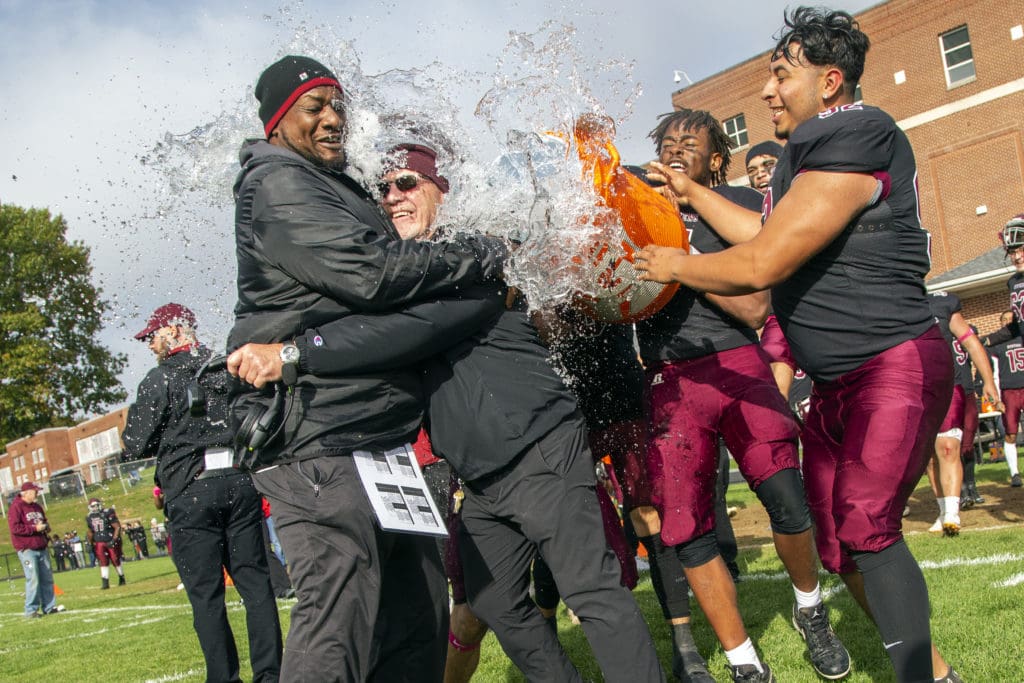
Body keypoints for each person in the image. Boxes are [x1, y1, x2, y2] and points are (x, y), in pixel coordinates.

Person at [230, 136, 666, 682]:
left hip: (537, 448)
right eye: (383, 189)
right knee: (492, 601)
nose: (393, 197)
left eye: (407, 183)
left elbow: (407, 332)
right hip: (483, 478)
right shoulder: (411, 269)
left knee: (592, 591)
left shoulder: (470, 251)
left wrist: (295, 353)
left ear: (442, 190)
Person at [635, 8, 961, 682]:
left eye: (782, 75)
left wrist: (672, 264)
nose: (766, 91)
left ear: (831, 81)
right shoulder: (802, 159)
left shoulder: (860, 132)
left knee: (869, 526)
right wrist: (691, 192)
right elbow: (762, 231)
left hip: (891, 361)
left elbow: (762, 264)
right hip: (838, 384)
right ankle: (938, 672)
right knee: (841, 547)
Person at [226, 56, 506, 682]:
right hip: (315, 436)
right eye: (313, 107)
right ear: (276, 121)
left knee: (420, 617)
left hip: (378, 438)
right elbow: (376, 272)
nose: (332, 120)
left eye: (337, 105)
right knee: (338, 623)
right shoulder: (276, 184)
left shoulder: (334, 184)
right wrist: (476, 255)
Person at [634, 108, 848, 683]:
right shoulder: (632, 207)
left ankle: (810, 609)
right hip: (667, 377)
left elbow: (755, 307)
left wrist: (682, 257)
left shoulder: (741, 205)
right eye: (669, 142)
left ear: (715, 159)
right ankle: (743, 661)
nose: (678, 151)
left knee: (787, 497)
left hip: (736, 362)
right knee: (687, 526)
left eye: (691, 144)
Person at [121, 302, 282, 683]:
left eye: (153, 335)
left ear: (175, 331)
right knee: (256, 583)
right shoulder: (226, 365)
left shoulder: (160, 378)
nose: (150, 344)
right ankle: (271, 674)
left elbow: (135, 443)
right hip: (241, 482)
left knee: (207, 596)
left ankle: (224, 678)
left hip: (192, 489)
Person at [925, 292, 1000, 535]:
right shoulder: (890, 303)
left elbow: (969, 341)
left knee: (948, 447)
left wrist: (988, 381)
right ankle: (941, 509)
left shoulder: (941, 303)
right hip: (914, 389)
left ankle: (952, 514)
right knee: (928, 457)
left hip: (948, 385)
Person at [982, 215, 1024, 487]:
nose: (1017, 256)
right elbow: (1016, 328)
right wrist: (984, 341)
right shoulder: (1014, 283)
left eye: (1021, 249)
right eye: (1012, 251)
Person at [8, 482, 64, 618]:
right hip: (27, 549)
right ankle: (31, 610)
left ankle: (49, 607)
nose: (37, 493)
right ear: (25, 493)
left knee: (47, 579)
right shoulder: (16, 507)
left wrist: (45, 527)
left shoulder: (37, 507)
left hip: (41, 546)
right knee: (33, 578)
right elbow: (15, 528)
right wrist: (34, 529)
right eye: (35, 491)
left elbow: (44, 522)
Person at [85, 497, 126, 588]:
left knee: (115, 559)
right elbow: (90, 531)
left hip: (109, 539)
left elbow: (117, 527)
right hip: (99, 541)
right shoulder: (89, 517)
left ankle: (121, 577)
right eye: (93, 506)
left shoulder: (108, 512)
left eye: (96, 505)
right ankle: (105, 582)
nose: (95, 507)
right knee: (103, 561)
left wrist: (114, 540)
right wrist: (89, 543)